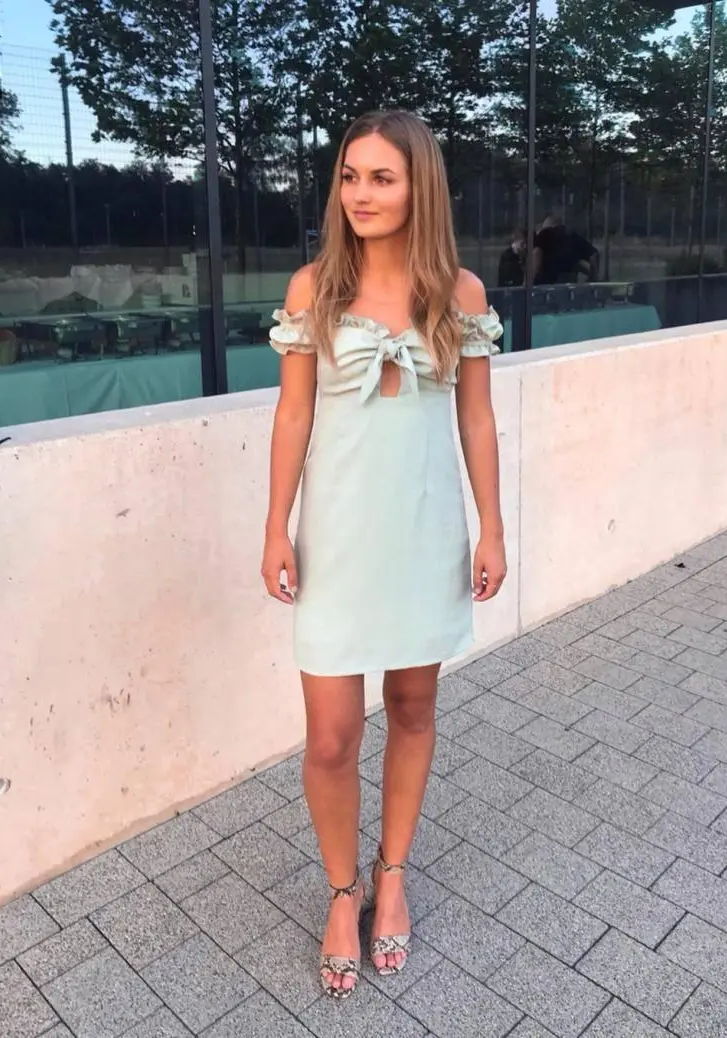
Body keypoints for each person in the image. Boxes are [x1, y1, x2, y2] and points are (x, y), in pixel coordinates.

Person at [261, 110, 506, 1001]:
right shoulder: (314, 288)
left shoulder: (460, 294)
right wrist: (275, 525)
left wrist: (492, 526)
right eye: (349, 176)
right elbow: (294, 414)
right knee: (331, 736)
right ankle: (341, 891)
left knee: (411, 707)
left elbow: (476, 418)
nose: (359, 194)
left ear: (419, 188)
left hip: (423, 531)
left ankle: (391, 874)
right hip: (337, 538)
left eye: (381, 178)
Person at [531, 213, 599, 284]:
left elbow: (537, 254)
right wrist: (593, 278)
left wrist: (531, 282)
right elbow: (594, 255)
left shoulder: (544, 234)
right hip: (569, 284)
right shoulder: (573, 236)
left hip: (547, 283)